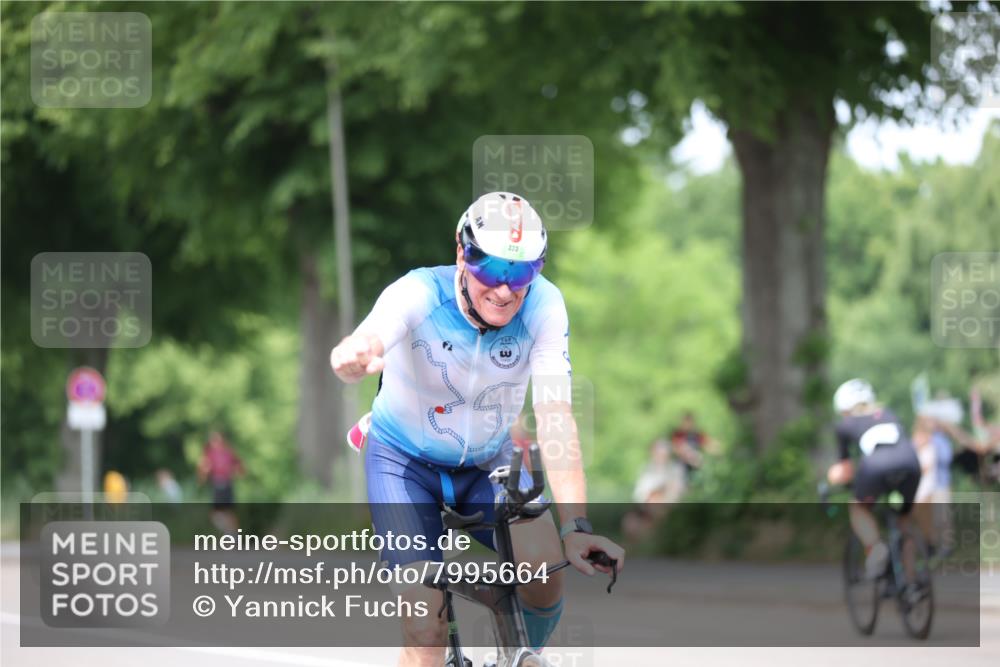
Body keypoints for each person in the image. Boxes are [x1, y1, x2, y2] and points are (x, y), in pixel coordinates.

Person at [330, 192, 625, 667]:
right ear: (461, 254)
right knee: (425, 626)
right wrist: (353, 356)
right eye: (491, 269)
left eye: (522, 272)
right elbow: (370, 335)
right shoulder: (419, 292)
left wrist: (576, 525)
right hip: (404, 463)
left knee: (546, 569)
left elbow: (555, 416)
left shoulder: (545, 306)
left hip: (489, 461)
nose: (506, 290)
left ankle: (522, 655)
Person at [826, 379, 921, 579]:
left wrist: (833, 479)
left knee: (857, 507)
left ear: (843, 408)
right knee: (904, 521)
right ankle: (911, 582)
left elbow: (845, 468)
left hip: (876, 467)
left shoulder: (845, 424)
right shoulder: (889, 414)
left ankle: (876, 547)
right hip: (911, 463)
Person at [197, 431, 244, 534]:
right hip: (217, 484)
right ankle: (228, 532)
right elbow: (204, 467)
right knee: (216, 513)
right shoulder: (210, 453)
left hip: (227, 483)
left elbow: (238, 464)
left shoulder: (227, 452)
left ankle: (235, 536)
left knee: (230, 511)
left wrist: (238, 471)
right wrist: (202, 477)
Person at [669, 411, 718, 479]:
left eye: (689, 422)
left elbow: (707, 443)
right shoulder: (678, 435)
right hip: (682, 463)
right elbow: (675, 448)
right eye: (685, 422)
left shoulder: (696, 434)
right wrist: (686, 453)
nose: (687, 424)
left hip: (696, 462)